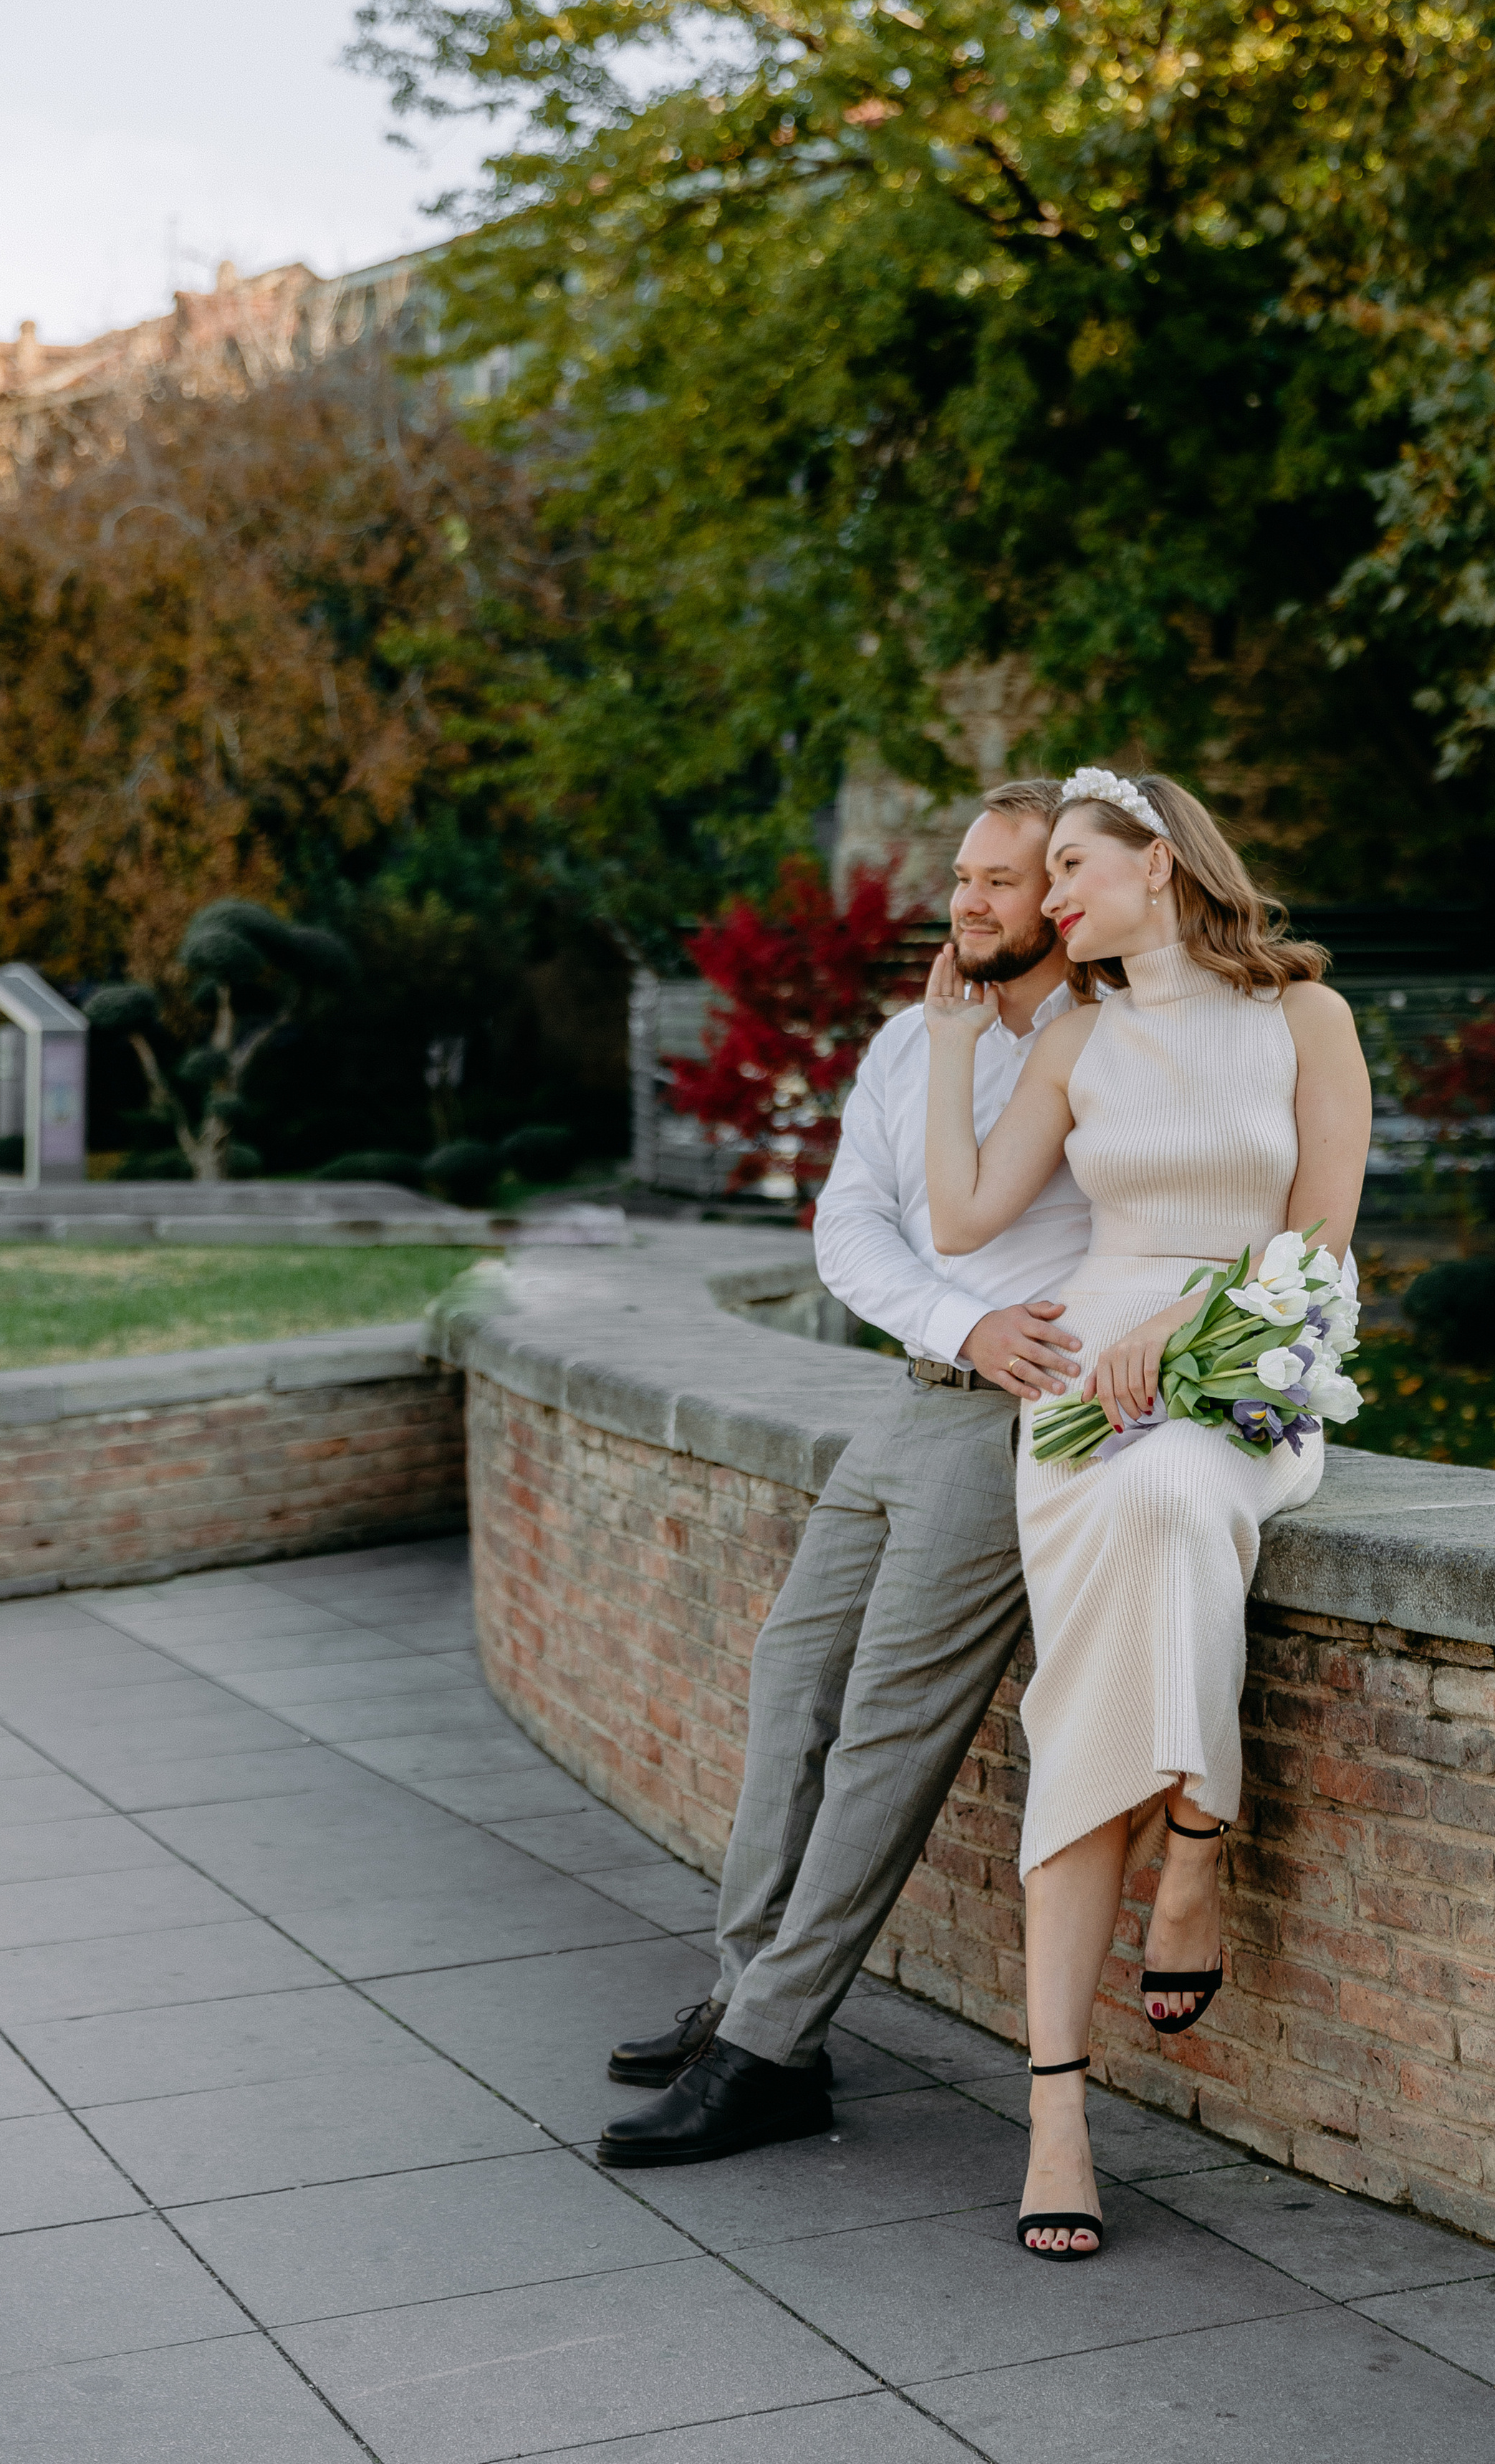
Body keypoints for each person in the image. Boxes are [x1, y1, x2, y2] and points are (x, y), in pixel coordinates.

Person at [599, 779, 1095, 2167]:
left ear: (1058, 899)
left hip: (1009, 1423)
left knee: (888, 1726)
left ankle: (768, 2050)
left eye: (1000, 880)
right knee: (791, 1674)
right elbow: (845, 1230)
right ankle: (750, 1993)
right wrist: (953, 1321)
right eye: (962, 876)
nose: (968, 901)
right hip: (908, 1398)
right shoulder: (903, 1041)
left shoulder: (1099, 1051)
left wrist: (1006, 1337)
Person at [923, 768, 1373, 2258]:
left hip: (1241, 1375)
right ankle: (1057, 2110)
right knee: (1079, 1713)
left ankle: (1194, 1843)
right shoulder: (1075, 1039)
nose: (1046, 896)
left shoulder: (1304, 1020)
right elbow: (965, 1220)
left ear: (1156, 862)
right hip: (1078, 1405)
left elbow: (1316, 1236)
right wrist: (943, 1049)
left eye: (1065, 864)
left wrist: (1185, 1328)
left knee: (1183, 1492)